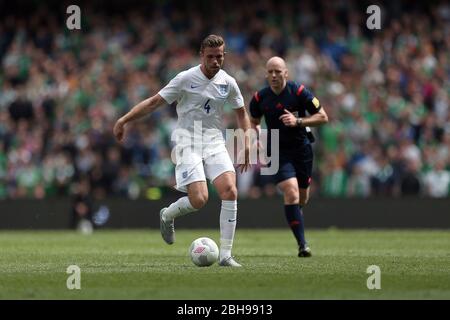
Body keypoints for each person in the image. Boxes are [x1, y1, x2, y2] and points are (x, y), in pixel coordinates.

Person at [113, 35, 250, 267]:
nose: (216, 61)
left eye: (220, 57)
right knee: (199, 200)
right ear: (201, 56)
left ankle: (226, 255)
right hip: (188, 143)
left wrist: (247, 141)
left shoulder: (228, 82)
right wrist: (124, 120)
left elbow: (241, 112)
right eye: (211, 57)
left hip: (214, 142)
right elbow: (154, 102)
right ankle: (167, 215)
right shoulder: (185, 78)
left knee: (230, 190)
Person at [249, 56, 328, 257]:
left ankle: (295, 215)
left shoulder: (300, 92)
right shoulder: (260, 98)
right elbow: (254, 121)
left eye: (277, 71)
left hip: (301, 149)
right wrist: (256, 137)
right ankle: (303, 245)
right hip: (276, 150)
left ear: (286, 73)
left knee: (302, 197)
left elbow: (323, 117)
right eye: (270, 72)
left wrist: (298, 121)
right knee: (291, 192)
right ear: (266, 74)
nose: (274, 75)